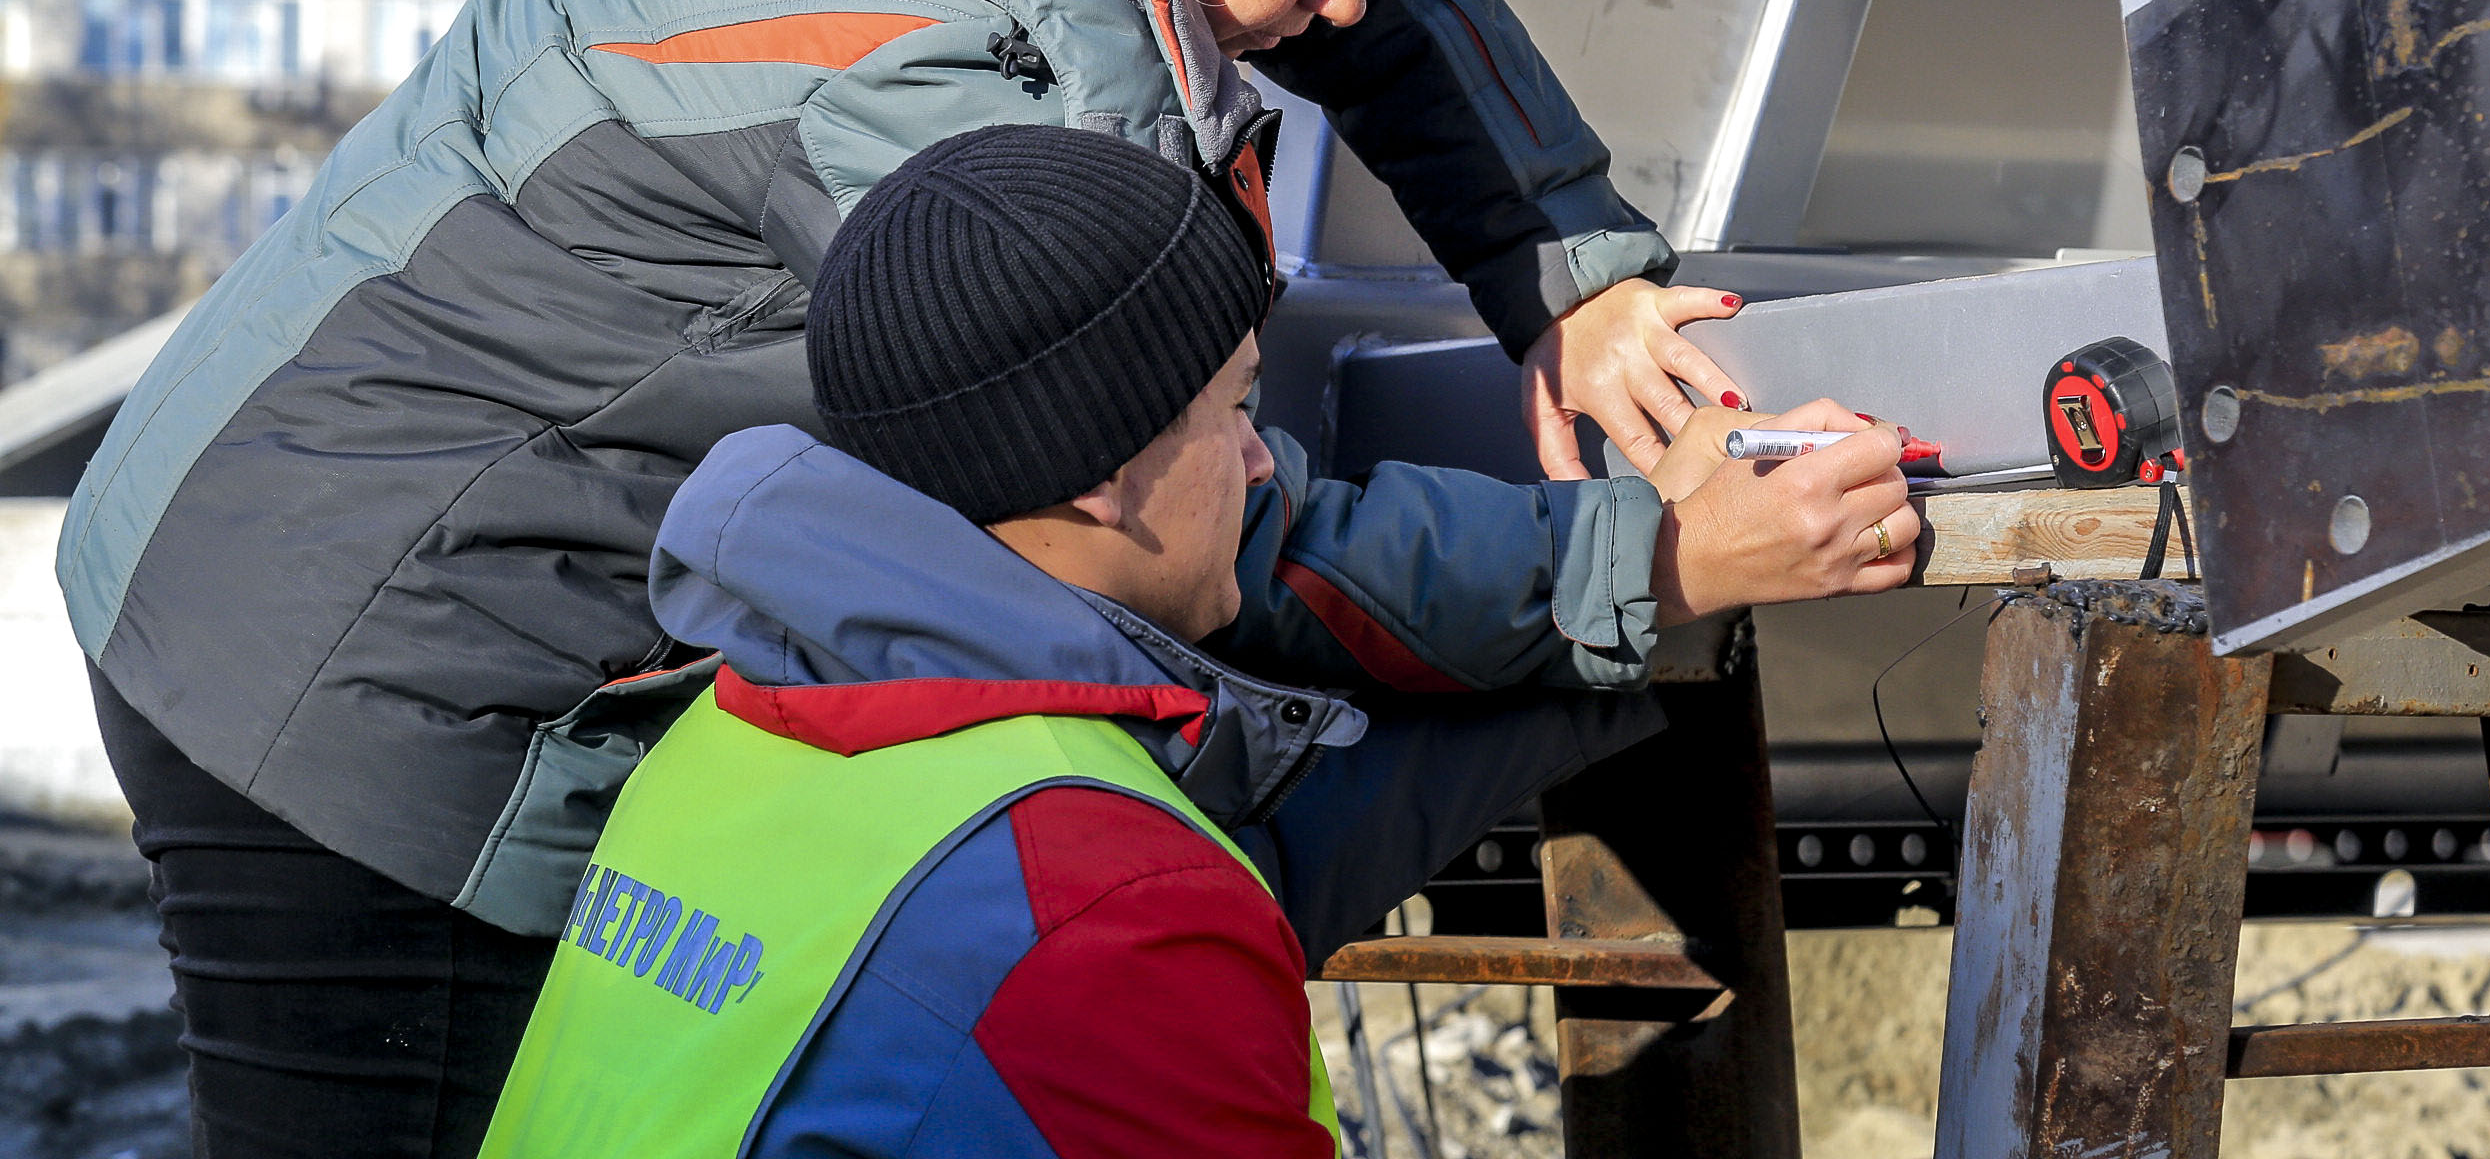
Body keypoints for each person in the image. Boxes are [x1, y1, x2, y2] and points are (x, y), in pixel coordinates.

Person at [63, 0, 1915, 1156]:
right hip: (370, 658)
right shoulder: (982, 86)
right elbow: (1193, 534)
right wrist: (1654, 559)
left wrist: (1567, 274)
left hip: (274, 483)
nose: (1351, 10)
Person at [480, 127, 1914, 1158]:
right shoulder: (1111, 903)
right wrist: (1665, 561)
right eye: (1233, 410)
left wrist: (1672, 572)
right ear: (1102, 475)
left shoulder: (732, 735)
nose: (1259, 460)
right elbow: (1147, 908)